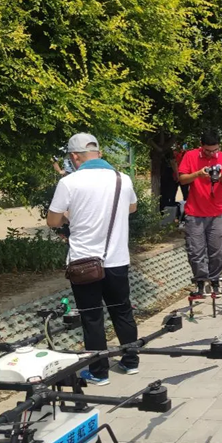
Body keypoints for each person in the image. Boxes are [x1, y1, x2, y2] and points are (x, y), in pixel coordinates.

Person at [47, 133, 139, 386]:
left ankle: (99, 372)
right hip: (117, 259)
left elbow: (53, 221)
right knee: (122, 310)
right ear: (98, 153)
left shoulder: (69, 182)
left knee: (92, 316)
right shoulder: (122, 178)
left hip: (83, 262)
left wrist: (70, 216)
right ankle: (131, 361)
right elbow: (132, 207)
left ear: (74, 156)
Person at [178, 130, 222, 299]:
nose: (212, 153)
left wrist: (221, 177)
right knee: (195, 251)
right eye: (208, 150)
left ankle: (215, 280)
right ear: (201, 146)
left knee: (218, 250)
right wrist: (198, 174)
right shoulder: (190, 156)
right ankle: (200, 282)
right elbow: (182, 179)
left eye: (215, 150)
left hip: (216, 212)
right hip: (194, 213)